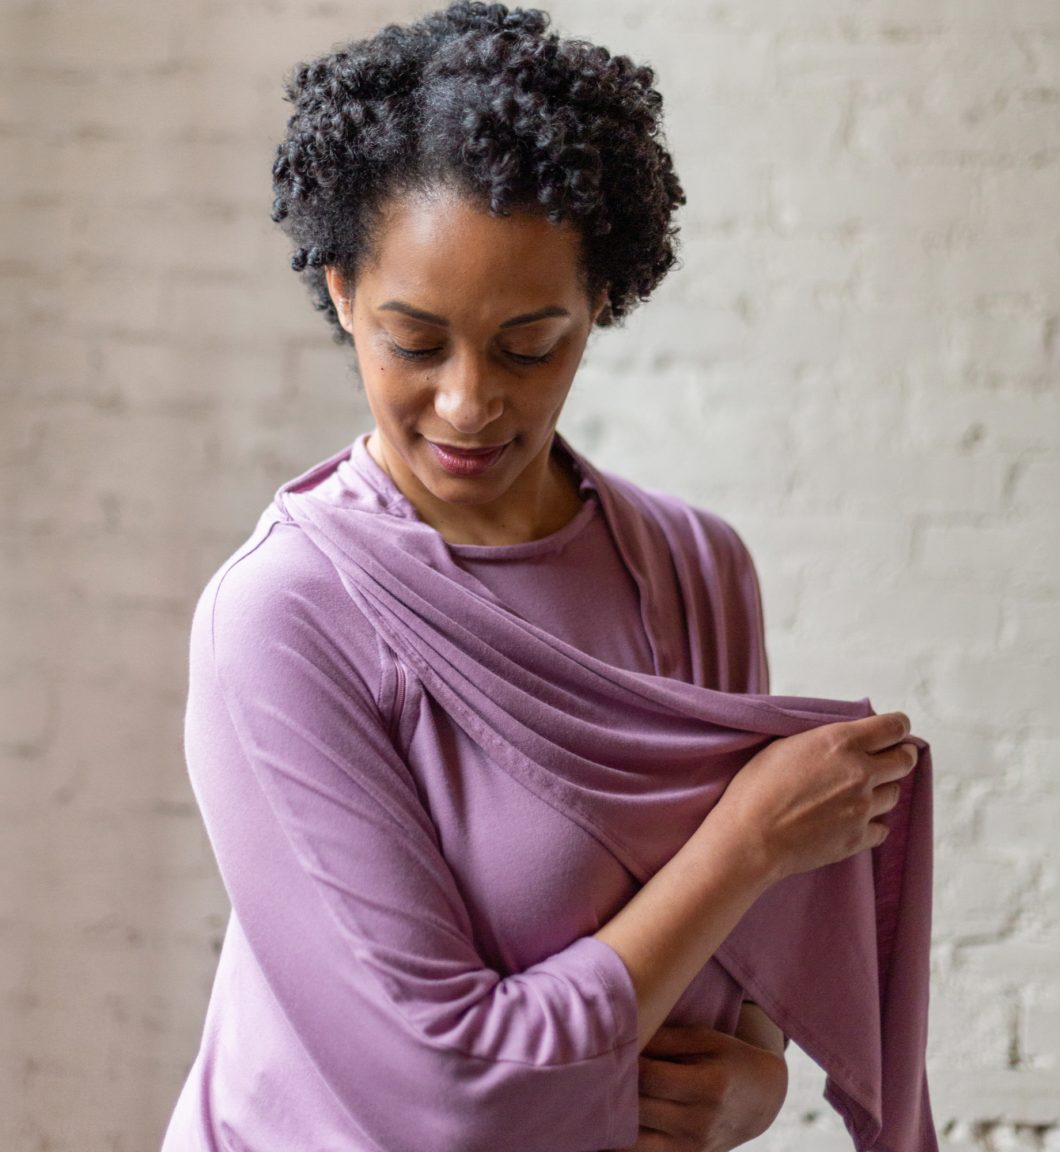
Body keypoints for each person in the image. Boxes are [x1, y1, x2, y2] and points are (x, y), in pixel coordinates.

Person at [162, 5, 936, 1150]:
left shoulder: (692, 572)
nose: (469, 404)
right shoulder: (282, 620)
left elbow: (731, 980)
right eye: (413, 341)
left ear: (599, 307)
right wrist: (748, 843)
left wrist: (755, 1081)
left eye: (531, 344)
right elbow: (448, 1093)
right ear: (338, 293)